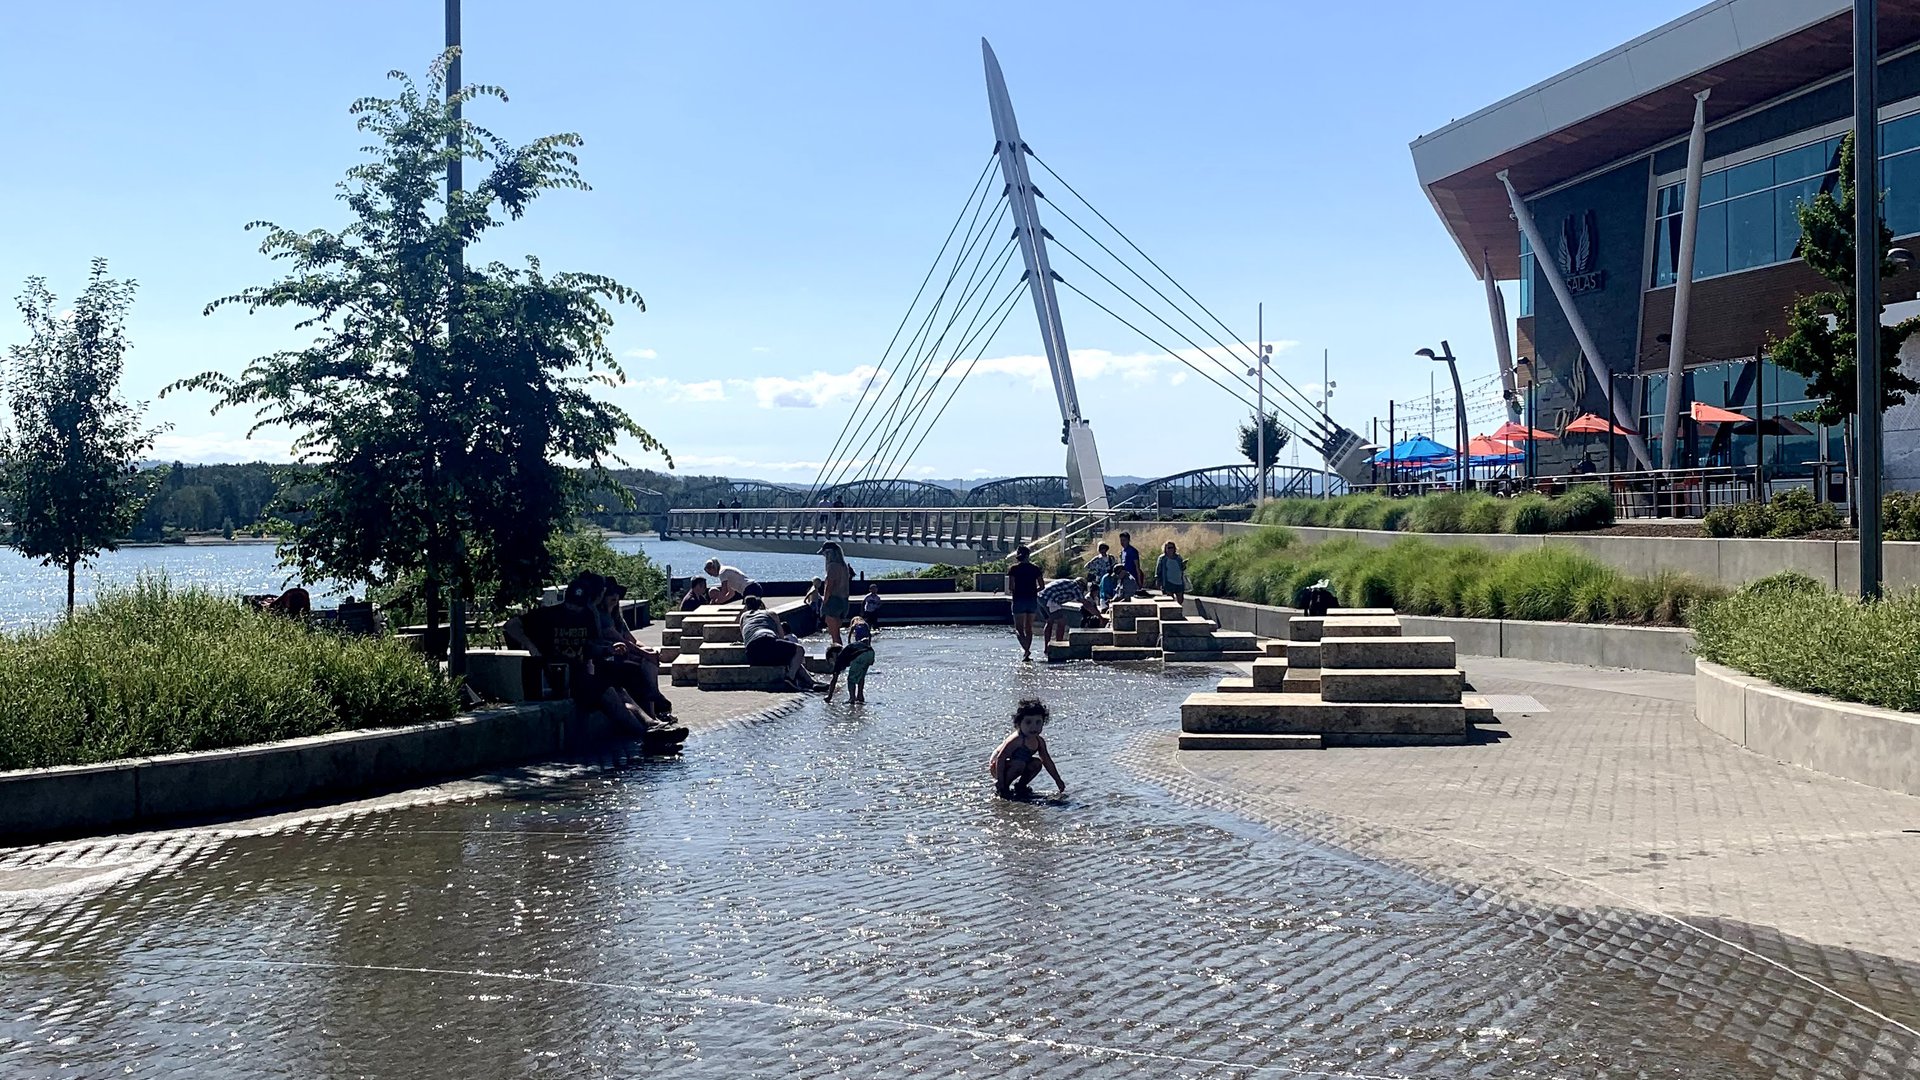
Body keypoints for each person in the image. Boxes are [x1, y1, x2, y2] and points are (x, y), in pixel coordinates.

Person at [988, 697, 1066, 799]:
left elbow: (1047, 761)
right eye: (1028, 723)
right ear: (1019, 724)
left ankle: (1020, 786)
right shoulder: (1016, 740)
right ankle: (1004, 789)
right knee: (1019, 764)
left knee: (1037, 763)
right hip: (998, 766)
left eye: (1038, 722)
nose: (1033, 727)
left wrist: (1057, 779)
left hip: (1017, 763)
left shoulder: (1039, 741)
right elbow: (1000, 758)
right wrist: (1000, 782)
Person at [739, 595, 820, 692]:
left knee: (791, 658)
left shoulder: (743, 617)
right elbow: (782, 637)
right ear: (761, 606)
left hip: (752, 653)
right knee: (799, 650)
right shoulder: (770, 613)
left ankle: (811, 683)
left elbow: (744, 635)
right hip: (766, 640)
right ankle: (790, 678)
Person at [1006, 545, 1044, 662]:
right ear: (1029, 555)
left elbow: (1011, 586)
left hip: (1019, 599)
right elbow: (1042, 586)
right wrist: (1033, 591)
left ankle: (1026, 650)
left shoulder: (1014, 569)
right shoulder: (1035, 568)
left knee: (1019, 629)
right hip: (1032, 600)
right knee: (1029, 628)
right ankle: (1027, 652)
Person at [826, 620, 876, 703]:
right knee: (861, 676)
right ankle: (860, 695)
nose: (833, 662)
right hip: (870, 652)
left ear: (834, 654)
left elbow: (834, 680)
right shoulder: (848, 650)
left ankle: (852, 698)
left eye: (832, 660)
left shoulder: (840, 658)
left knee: (851, 680)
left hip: (860, 655)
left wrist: (829, 696)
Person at [820, 541, 854, 646]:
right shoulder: (844, 567)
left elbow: (829, 586)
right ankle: (839, 653)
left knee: (834, 634)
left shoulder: (832, 566)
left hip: (833, 601)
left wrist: (824, 603)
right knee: (837, 633)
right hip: (844, 601)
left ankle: (836, 656)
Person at [1037, 576, 1084, 645]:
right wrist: (1099, 615)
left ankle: (1046, 647)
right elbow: (1085, 603)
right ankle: (1059, 644)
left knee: (1049, 621)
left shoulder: (1067, 582)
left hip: (1040, 597)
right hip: (1049, 599)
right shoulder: (1075, 586)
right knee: (1062, 621)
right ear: (1082, 585)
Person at [1155, 541, 1187, 606]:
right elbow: (1158, 570)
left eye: (1171, 547)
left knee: (1180, 600)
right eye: (1168, 548)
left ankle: (1179, 611)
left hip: (1179, 582)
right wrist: (1158, 580)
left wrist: (1183, 565)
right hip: (1167, 582)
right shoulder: (1162, 558)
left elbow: (1181, 569)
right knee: (1170, 600)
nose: (1170, 549)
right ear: (1165, 549)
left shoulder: (1178, 557)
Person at [1118, 532, 1145, 598]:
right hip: (1125, 577)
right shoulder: (1122, 551)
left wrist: (1139, 581)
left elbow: (1137, 566)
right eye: (1121, 540)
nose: (1122, 542)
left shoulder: (1132, 551)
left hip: (1133, 577)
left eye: (1124, 540)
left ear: (1128, 540)